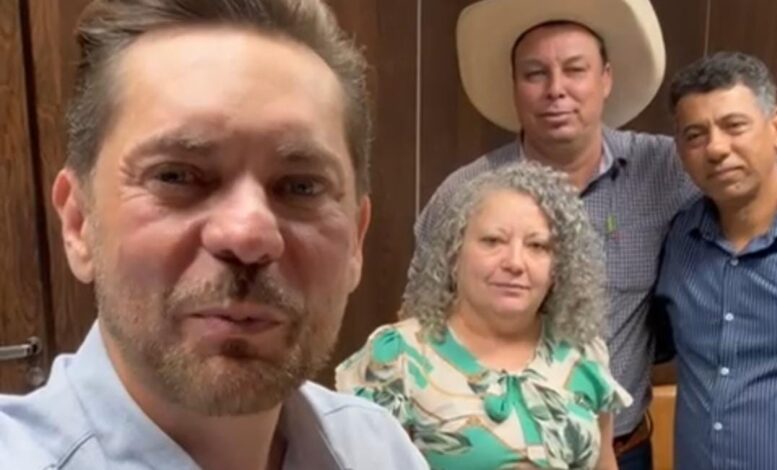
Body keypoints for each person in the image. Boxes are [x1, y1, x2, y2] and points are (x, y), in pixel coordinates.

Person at [0, 1, 429, 469]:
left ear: (355, 242)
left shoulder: (381, 450)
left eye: (301, 187)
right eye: (176, 176)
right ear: (79, 222)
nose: (248, 235)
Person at [411, 1, 698, 467]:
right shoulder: (465, 194)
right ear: (515, 86)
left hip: (622, 451)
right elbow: (419, 318)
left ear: (605, 78)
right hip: (494, 455)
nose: (556, 89)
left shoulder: (665, 171)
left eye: (575, 70)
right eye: (535, 74)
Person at [338, 162, 632, 469]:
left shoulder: (583, 353)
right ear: (454, 253)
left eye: (537, 246)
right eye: (493, 241)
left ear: (560, 266)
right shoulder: (396, 358)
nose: (515, 262)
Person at [655, 51, 777, 470]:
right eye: (695, 135)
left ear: (776, 128)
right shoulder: (679, 240)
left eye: (734, 126)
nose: (716, 149)